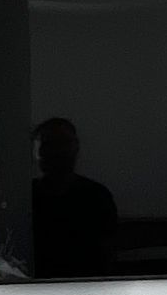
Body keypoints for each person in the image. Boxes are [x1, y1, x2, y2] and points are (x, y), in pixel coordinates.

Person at [30, 117, 119, 279]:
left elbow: (107, 256)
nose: (56, 152)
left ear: (75, 148)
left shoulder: (97, 196)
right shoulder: (24, 197)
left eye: (62, 144)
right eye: (49, 145)